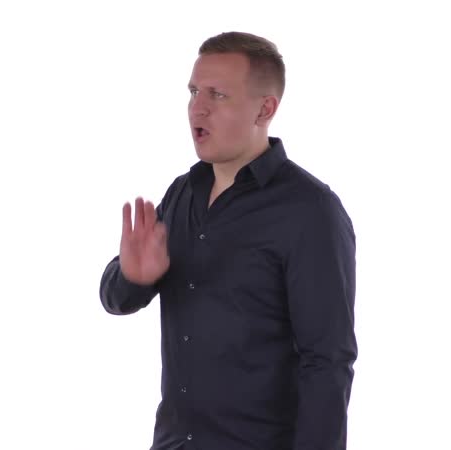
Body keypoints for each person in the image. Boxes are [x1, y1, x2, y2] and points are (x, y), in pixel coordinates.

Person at [99, 31, 357, 450]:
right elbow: (116, 299)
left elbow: (327, 362)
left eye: (217, 95)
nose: (197, 108)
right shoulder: (182, 194)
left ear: (265, 109)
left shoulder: (310, 211)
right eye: (193, 92)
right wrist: (133, 277)